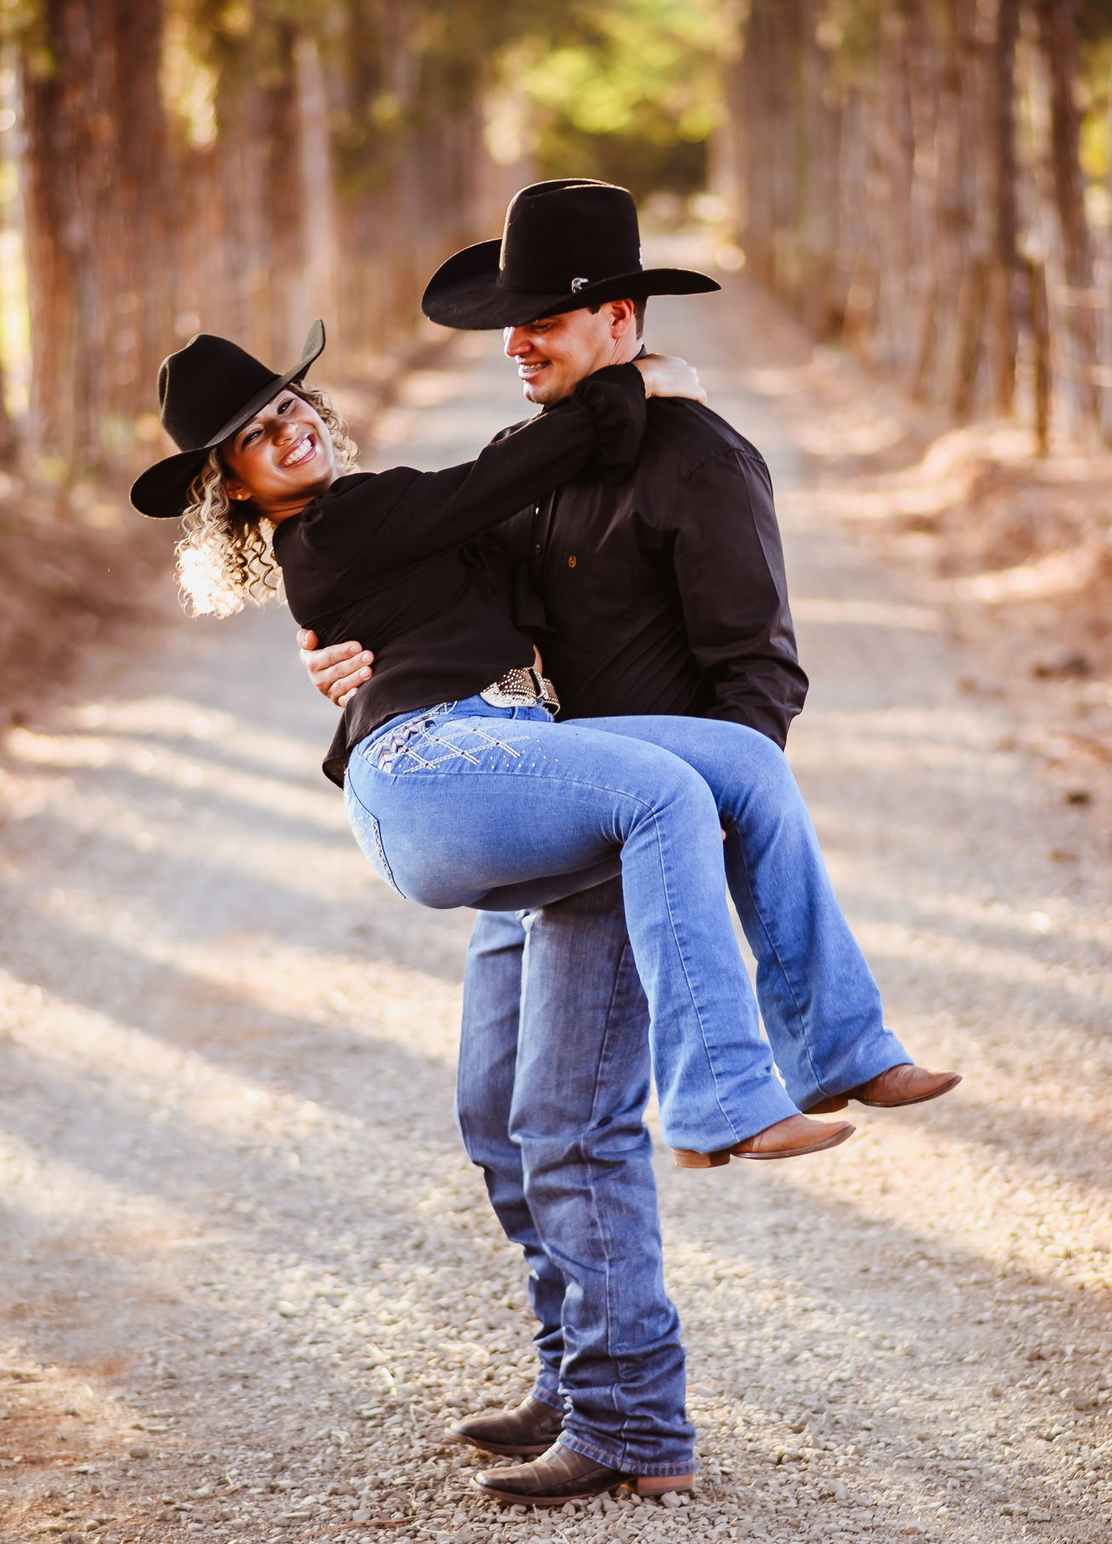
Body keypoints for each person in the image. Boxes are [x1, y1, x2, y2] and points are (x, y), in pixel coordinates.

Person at [296, 180, 956, 1507]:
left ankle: (632, 1422)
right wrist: (358, 665)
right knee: (493, 1113)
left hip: (629, 834)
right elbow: (445, 598)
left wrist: (697, 821)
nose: (517, 342)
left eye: (543, 320)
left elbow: (759, 683)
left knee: (571, 1118)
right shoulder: (532, 453)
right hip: (521, 782)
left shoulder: (702, 459)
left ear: (619, 317)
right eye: (509, 322)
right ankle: (572, 1362)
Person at [129, 312, 940, 1180]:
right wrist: (647, 383)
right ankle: (721, 1101)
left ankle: (845, 1049)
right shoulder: (340, 523)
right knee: (665, 794)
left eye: (290, 408)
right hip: (427, 767)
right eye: (256, 437)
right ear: (237, 488)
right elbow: (497, 481)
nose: (290, 432)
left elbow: (509, 536)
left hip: (503, 750)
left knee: (745, 764)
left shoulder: (380, 526)